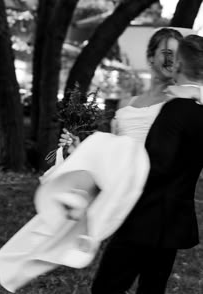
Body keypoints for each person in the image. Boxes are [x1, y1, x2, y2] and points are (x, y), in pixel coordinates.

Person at [91, 34, 203, 294]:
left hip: (144, 216)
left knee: (106, 288)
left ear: (179, 66)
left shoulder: (173, 110)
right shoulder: (197, 110)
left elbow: (158, 166)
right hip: (173, 220)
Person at [59, 27, 184, 150]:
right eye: (167, 53)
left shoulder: (182, 102)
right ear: (151, 56)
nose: (172, 60)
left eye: (177, 55)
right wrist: (79, 149)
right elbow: (111, 154)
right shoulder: (126, 104)